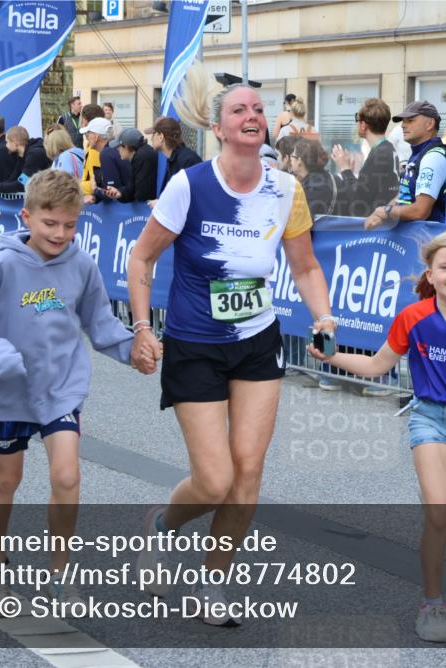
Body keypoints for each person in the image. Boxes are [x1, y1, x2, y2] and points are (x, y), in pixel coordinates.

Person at [127, 79, 336, 626]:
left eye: (258, 109)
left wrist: (322, 314)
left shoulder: (286, 190)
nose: (252, 115)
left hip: (257, 342)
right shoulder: (189, 186)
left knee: (248, 473)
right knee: (215, 479)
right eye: (239, 109)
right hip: (196, 344)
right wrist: (144, 327)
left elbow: (306, 266)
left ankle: (212, 582)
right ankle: (160, 524)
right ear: (218, 127)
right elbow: (141, 259)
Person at [308, 229, 446, 643]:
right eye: (445, 268)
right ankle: (432, 604)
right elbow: (378, 366)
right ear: (431, 273)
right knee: (438, 514)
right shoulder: (414, 317)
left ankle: (440, 532)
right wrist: (333, 356)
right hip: (429, 418)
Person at [0, 169, 135, 615]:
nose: (60, 234)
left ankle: (60, 577)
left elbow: (100, 322)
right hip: (11, 392)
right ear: (27, 216)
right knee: (7, 479)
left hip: (61, 389)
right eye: (49, 223)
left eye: (69, 225)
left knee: (67, 476)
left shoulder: (81, 265)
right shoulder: (3, 264)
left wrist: (133, 350)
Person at [365, 101, 446, 229]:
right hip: (415, 238)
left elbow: (420, 211)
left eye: (410, 120)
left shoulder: (432, 157)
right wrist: (385, 212)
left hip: (430, 240)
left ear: (430, 124)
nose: (403, 125)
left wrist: (385, 212)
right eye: (403, 121)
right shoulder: (418, 154)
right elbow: (404, 198)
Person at [331, 98, 399, 217]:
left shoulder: (379, 154)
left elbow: (358, 200)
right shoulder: (388, 149)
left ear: (363, 125)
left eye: (358, 120)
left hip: (375, 229)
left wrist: (344, 168)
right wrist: (350, 172)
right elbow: (368, 191)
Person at [79, 117, 130, 204]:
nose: (86, 138)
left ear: (96, 137)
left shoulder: (106, 154)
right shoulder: (114, 149)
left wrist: (95, 189)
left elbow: (111, 194)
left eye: (87, 134)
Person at [146, 116, 200, 194]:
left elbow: (192, 194)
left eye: (154, 134)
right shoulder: (173, 159)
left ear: (161, 137)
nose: (151, 138)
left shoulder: (187, 160)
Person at [105, 127, 157, 203]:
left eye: (118, 147)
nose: (117, 150)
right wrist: (120, 193)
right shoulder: (142, 154)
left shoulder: (141, 157)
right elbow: (132, 187)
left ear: (126, 146)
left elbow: (142, 194)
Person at [0, 126, 50, 194]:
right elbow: (15, 177)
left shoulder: (34, 155)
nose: (6, 145)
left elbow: (22, 184)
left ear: (15, 143)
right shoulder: (23, 154)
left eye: (7, 142)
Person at [288, 138, 336, 218]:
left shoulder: (315, 188)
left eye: (292, 156)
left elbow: (301, 220)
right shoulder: (319, 178)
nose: (290, 159)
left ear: (299, 161)